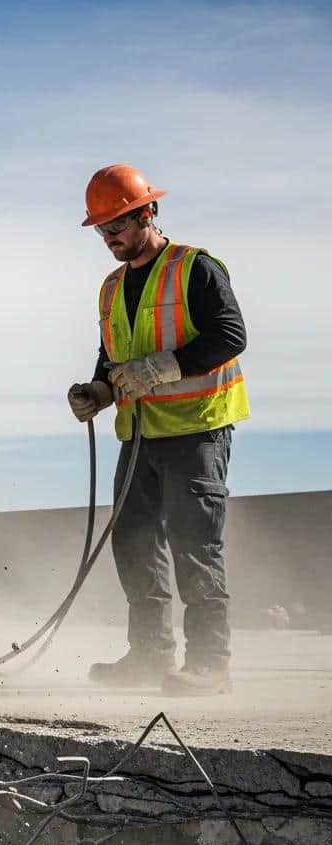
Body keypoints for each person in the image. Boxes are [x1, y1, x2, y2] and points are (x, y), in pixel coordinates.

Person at [67, 164, 250, 696]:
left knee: (195, 544)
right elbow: (112, 356)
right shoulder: (111, 288)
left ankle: (211, 665)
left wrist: (163, 367)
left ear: (148, 212)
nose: (110, 238)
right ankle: (149, 656)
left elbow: (230, 335)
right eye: (101, 230)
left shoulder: (195, 267)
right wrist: (100, 392)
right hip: (140, 434)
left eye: (118, 225)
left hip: (198, 430)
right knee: (133, 539)